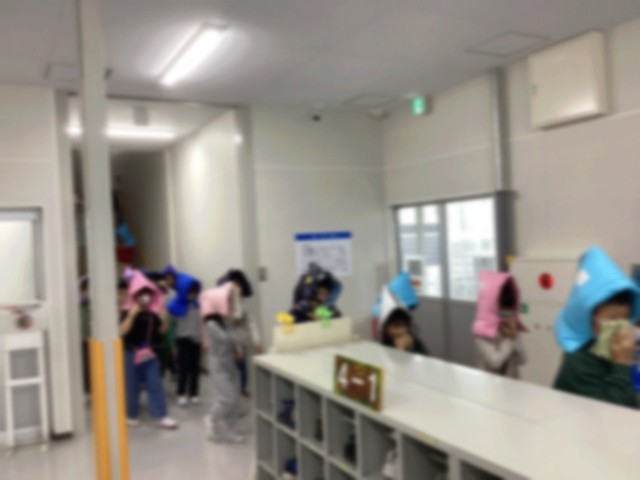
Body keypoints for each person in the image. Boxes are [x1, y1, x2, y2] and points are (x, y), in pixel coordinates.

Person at [554, 247, 640, 409]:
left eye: (625, 317)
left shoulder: (611, 349)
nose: (621, 325)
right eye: (613, 318)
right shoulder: (578, 360)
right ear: (589, 319)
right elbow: (610, 412)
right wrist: (622, 363)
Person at [120, 271, 178, 429]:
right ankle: (130, 415)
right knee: (131, 386)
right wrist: (131, 315)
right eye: (142, 293)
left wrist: (165, 317)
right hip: (131, 353)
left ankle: (161, 415)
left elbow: (162, 331)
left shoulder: (154, 312)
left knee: (155, 383)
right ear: (135, 294)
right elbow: (122, 331)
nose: (146, 297)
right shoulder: (127, 310)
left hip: (149, 353)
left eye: (148, 294)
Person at [200, 283, 246, 443]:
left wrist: (239, 348)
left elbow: (233, 338)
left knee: (236, 400)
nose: (232, 303)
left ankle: (230, 430)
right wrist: (240, 334)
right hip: (218, 365)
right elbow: (225, 338)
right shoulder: (211, 324)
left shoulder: (227, 321)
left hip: (230, 363)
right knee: (228, 399)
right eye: (229, 300)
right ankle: (211, 419)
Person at [472, 271, 527, 378]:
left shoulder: (511, 325)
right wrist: (510, 338)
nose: (507, 315)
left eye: (509, 310)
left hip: (511, 381)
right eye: (503, 310)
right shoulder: (481, 330)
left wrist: (515, 336)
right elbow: (496, 362)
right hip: (488, 383)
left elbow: (523, 360)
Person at [218, 269, 263, 396]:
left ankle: (242, 389)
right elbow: (227, 324)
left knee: (242, 366)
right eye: (234, 283)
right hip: (229, 341)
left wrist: (257, 342)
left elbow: (251, 323)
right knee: (231, 367)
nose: (237, 287)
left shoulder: (244, 303)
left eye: (239, 284)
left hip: (242, 339)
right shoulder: (225, 303)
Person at [166, 269, 203, 407]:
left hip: (196, 340)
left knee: (195, 368)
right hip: (182, 340)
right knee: (184, 368)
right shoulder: (176, 306)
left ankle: (194, 393)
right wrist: (173, 345)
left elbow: (202, 324)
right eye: (190, 292)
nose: (192, 295)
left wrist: (203, 341)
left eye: (195, 292)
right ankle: (181, 394)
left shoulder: (198, 305)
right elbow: (172, 327)